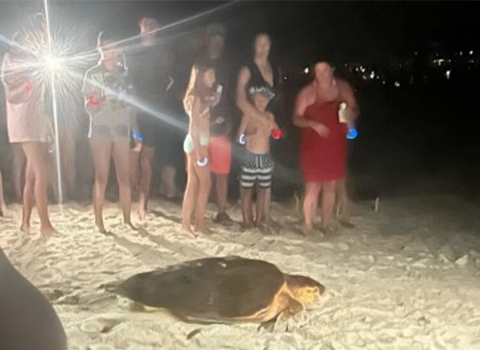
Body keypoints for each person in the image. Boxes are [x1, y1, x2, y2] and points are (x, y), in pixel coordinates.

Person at [1, 15, 56, 235]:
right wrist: (34, 70)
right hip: (22, 118)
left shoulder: (38, 56)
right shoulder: (11, 57)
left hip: (38, 117)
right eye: (40, 31)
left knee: (33, 173)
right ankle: (45, 224)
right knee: (42, 171)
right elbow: (12, 85)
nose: (43, 36)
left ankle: (25, 222)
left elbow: (44, 93)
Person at [82, 31, 142, 233]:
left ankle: (127, 219)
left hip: (122, 130)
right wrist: (96, 100)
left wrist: (137, 134)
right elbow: (88, 108)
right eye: (107, 48)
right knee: (102, 177)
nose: (111, 53)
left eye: (114, 48)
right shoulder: (92, 74)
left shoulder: (124, 74)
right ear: (100, 49)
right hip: (100, 130)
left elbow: (131, 107)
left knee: (125, 177)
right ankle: (99, 221)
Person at [293, 62, 359, 235]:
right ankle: (308, 226)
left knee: (331, 186)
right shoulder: (308, 92)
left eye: (324, 69)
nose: (321, 73)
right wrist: (313, 124)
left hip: (336, 144)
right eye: (317, 70)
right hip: (313, 147)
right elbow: (296, 118)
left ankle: (326, 224)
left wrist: (350, 114)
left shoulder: (343, 88)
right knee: (313, 186)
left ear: (332, 70)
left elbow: (354, 107)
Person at [127, 16, 177, 220]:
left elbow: (173, 80)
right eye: (143, 25)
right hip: (134, 111)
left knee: (147, 158)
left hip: (153, 111)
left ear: (156, 29)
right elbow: (126, 81)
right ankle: (136, 192)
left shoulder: (164, 53)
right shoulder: (131, 51)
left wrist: (161, 99)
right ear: (139, 29)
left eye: (150, 25)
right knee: (132, 157)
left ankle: (143, 203)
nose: (146, 29)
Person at [184, 24, 233, 225]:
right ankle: (191, 223)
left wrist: (224, 121)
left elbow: (226, 100)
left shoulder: (226, 67)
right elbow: (192, 120)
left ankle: (203, 220)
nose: (216, 42)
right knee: (198, 183)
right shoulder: (197, 90)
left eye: (220, 39)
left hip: (211, 134)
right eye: (213, 38)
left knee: (209, 180)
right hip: (198, 140)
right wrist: (201, 151)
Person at [236, 33, 283, 229]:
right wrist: (258, 117)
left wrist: (272, 126)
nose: (264, 47)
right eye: (260, 43)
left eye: (267, 43)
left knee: (265, 183)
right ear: (254, 45)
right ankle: (248, 219)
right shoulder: (247, 69)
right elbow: (239, 99)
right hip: (253, 123)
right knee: (247, 185)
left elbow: (277, 102)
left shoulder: (275, 69)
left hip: (268, 128)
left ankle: (264, 216)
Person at [181, 65, 219, 236]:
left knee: (193, 185)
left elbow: (200, 123)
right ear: (201, 77)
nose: (213, 78)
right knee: (205, 184)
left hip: (197, 142)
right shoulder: (197, 98)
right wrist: (199, 151)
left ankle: (187, 225)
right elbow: (192, 127)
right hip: (197, 144)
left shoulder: (201, 98)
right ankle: (198, 224)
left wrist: (212, 122)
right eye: (210, 75)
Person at [237, 87, 278, 233]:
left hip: (265, 157)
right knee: (246, 189)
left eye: (264, 100)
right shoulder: (247, 116)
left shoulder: (269, 116)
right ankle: (247, 220)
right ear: (253, 100)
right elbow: (239, 138)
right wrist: (250, 136)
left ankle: (260, 219)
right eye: (259, 100)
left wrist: (274, 131)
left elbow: (277, 134)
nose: (261, 103)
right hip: (250, 156)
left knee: (263, 189)